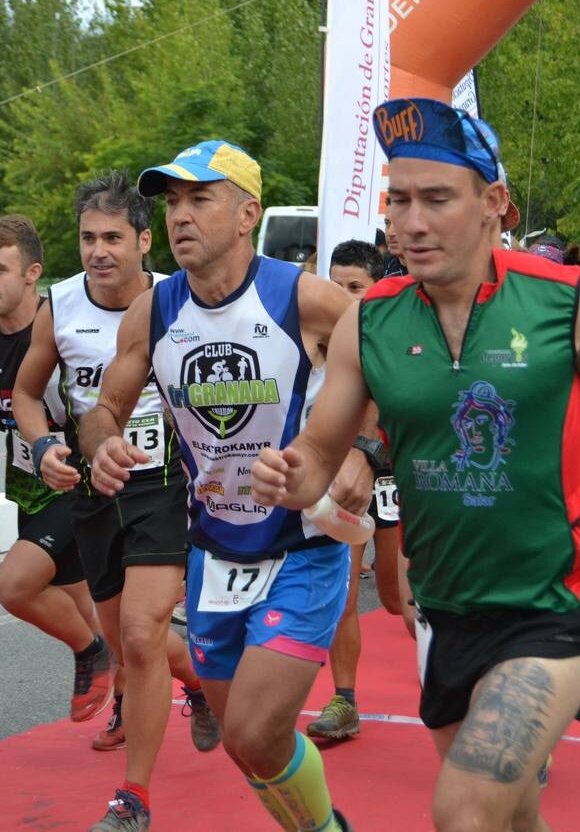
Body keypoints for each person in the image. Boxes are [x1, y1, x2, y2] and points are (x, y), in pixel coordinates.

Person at [252, 97, 580, 830]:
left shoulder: (562, 301)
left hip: (551, 605)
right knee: (514, 819)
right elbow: (318, 456)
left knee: (464, 812)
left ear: (494, 204)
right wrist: (288, 477)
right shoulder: (373, 318)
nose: (411, 222)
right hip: (444, 610)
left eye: (435, 199)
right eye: (397, 200)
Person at [78, 141, 370, 832]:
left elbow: (380, 371)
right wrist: (101, 447)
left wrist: (361, 450)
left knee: (253, 732)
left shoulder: (302, 297)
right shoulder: (153, 312)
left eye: (198, 199)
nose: (179, 216)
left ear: (247, 214)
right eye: (171, 202)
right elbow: (103, 410)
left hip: (302, 545)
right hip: (213, 554)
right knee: (248, 744)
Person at [14, 171, 218, 831]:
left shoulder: (177, 298)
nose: (98, 251)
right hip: (95, 487)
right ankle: (199, 683)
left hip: (166, 483)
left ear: (142, 239)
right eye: (86, 237)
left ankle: (134, 798)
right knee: (129, 647)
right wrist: (45, 446)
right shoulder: (61, 303)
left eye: (112, 238)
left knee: (140, 630)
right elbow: (25, 394)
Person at [0, 214, 115, 727]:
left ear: (32, 273)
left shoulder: (66, 325)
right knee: (98, 612)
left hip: (81, 484)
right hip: (28, 489)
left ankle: (91, 653)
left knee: (14, 587)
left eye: (0, 270)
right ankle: (177, 683)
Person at [304, 240, 405, 744]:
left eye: (355, 288)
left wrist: (367, 451)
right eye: (335, 285)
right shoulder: (310, 338)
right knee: (341, 596)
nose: (342, 296)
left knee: (398, 597)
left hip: (396, 473)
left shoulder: (390, 328)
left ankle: (468, 684)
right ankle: (345, 700)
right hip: (338, 486)